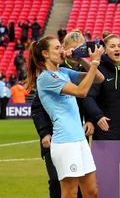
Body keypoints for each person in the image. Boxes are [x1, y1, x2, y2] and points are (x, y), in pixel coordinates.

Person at [28, 36, 105, 198]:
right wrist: (95, 62)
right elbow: (81, 92)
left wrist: (82, 59)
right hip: (65, 142)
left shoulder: (63, 72)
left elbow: (99, 78)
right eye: (57, 48)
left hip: (80, 140)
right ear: (45, 54)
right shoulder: (46, 78)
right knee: (70, 193)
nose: (62, 50)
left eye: (61, 47)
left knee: (92, 192)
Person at [83, 34, 120, 140]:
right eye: (112, 46)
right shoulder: (98, 71)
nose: (117, 49)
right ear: (105, 50)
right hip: (105, 131)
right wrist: (98, 116)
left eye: (119, 46)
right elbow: (89, 97)